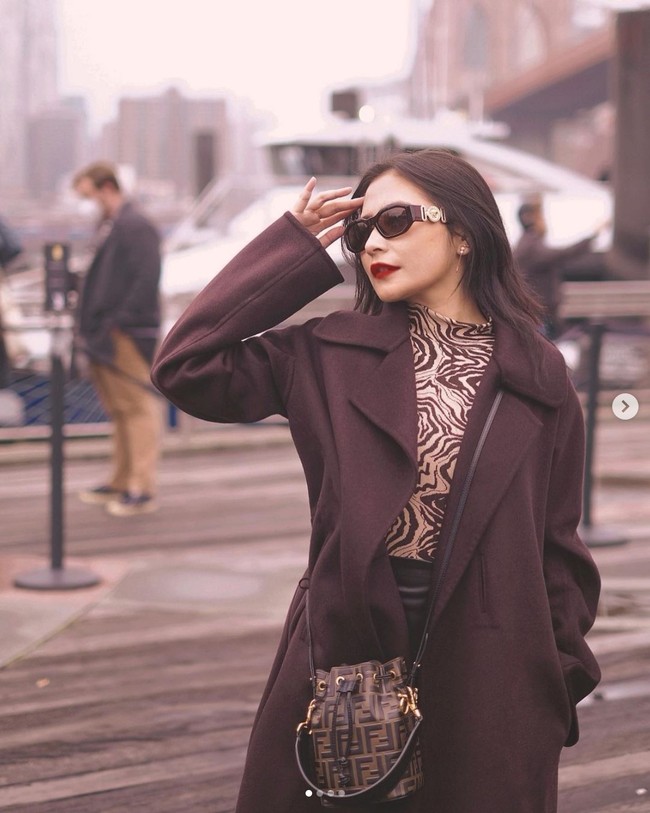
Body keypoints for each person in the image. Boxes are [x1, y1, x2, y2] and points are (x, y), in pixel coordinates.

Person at [151, 149, 601, 812]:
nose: (373, 245)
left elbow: (557, 542)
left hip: (494, 663)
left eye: (396, 220)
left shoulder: (537, 374)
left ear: (464, 232)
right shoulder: (327, 351)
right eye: (363, 232)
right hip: (344, 653)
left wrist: (556, 675)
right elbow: (185, 364)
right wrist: (293, 247)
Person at [73, 161, 162, 517]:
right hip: (104, 333)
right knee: (121, 410)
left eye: (90, 194)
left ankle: (142, 487)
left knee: (138, 408)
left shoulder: (135, 224)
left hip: (126, 334)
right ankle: (121, 480)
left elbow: (146, 277)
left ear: (106, 186)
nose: (89, 203)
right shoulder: (111, 225)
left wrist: (119, 322)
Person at [513, 199, 601, 340]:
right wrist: (593, 236)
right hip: (539, 315)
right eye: (540, 215)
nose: (544, 220)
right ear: (530, 218)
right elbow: (563, 254)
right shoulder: (530, 246)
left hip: (538, 313)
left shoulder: (527, 244)